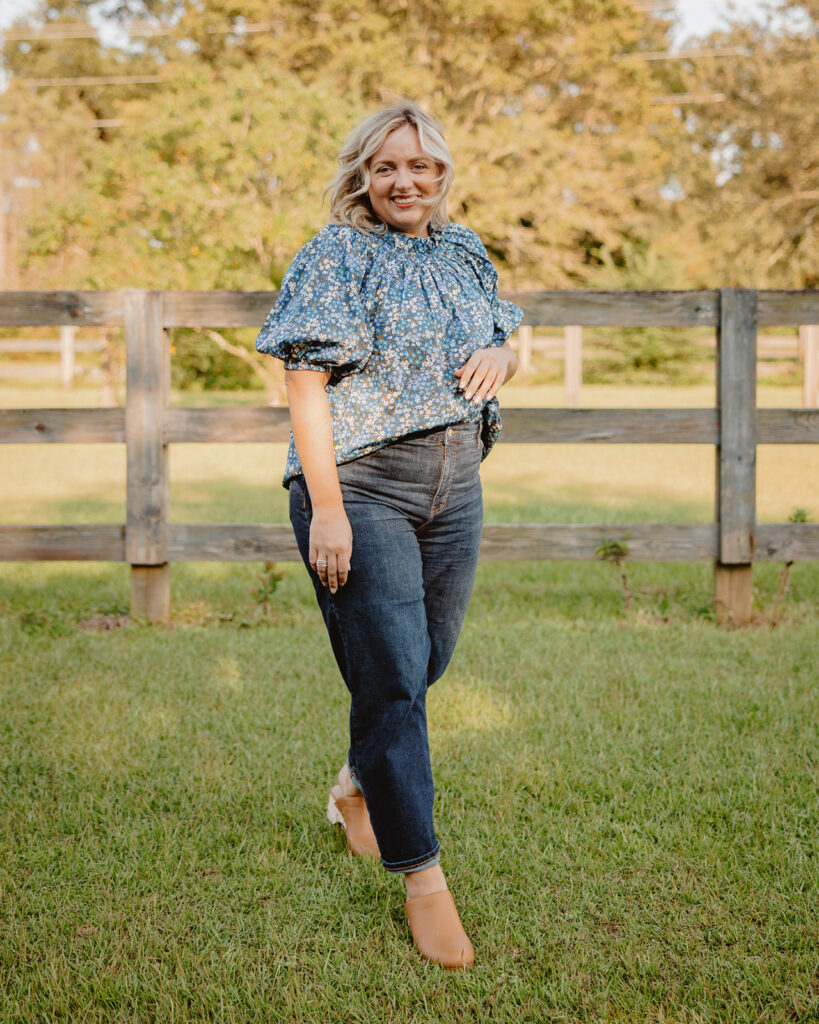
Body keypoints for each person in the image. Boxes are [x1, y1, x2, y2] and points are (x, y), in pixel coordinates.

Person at [255, 100, 522, 969]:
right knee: (397, 683)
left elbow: (502, 331)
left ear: (442, 171)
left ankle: (356, 784)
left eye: (420, 166)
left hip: (458, 483)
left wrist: (504, 358)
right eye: (386, 167)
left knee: (420, 664)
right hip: (362, 484)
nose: (404, 182)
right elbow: (304, 384)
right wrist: (326, 509)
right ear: (362, 176)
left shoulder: (462, 248)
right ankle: (424, 879)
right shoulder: (337, 253)